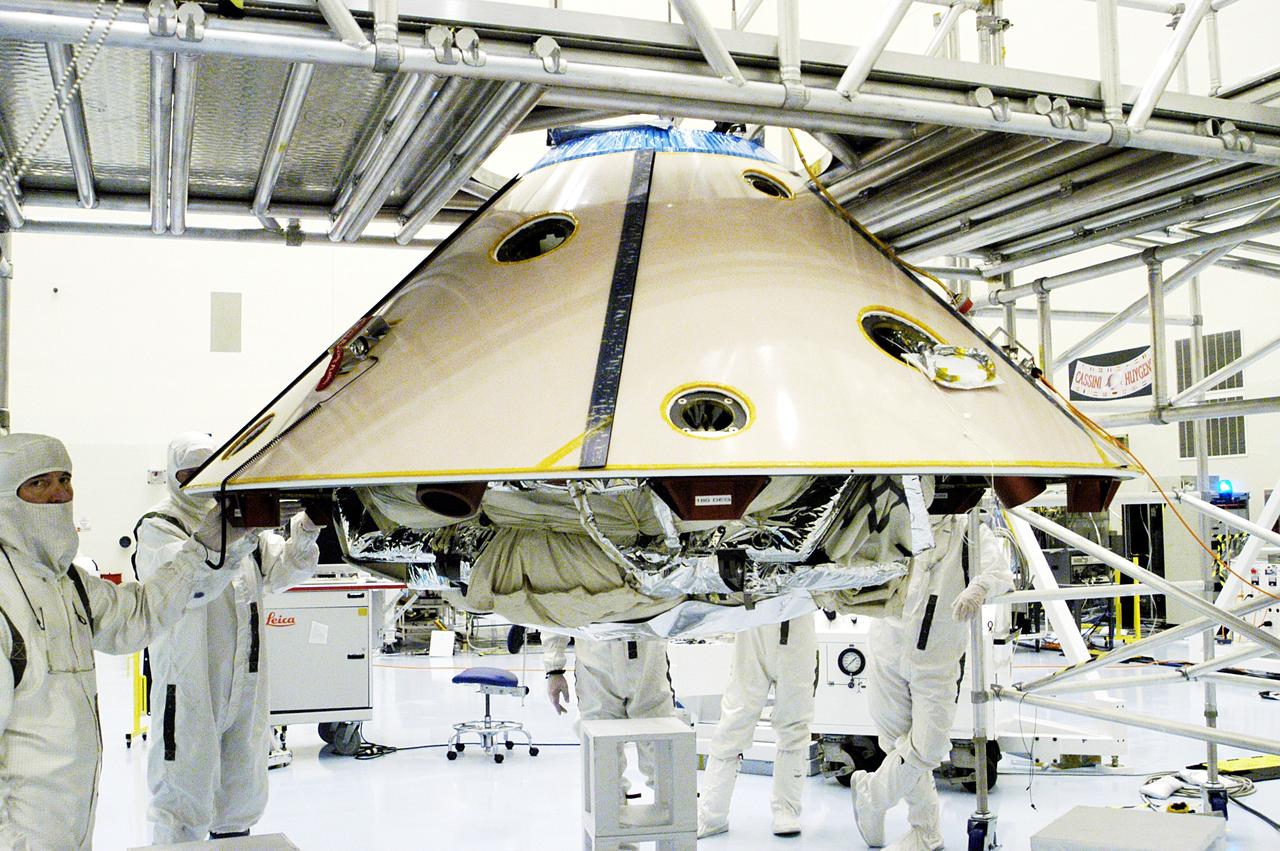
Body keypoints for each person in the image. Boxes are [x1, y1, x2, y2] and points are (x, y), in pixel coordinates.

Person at [0, 433, 239, 849]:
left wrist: (201, 549)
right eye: (39, 483)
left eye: (64, 479)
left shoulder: (67, 581)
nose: (59, 494)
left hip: (72, 815)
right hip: (20, 827)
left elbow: (136, 615)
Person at [136, 432, 324, 843]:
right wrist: (234, 535)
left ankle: (234, 838)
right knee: (183, 779)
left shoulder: (238, 518)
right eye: (190, 473)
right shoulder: (160, 526)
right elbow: (189, 586)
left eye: (208, 470)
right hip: (190, 679)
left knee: (240, 780)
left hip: (245, 680)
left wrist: (308, 527)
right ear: (172, 476)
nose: (199, 482)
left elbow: (283, 573)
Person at [852, 508, 1013, 851]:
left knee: (928, 747)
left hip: (936, 658)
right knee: (896, 741)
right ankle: (925, 831)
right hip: (888, 645)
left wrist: (980, 587)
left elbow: (1000, 571)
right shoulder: (895, 522)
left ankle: (873, 795)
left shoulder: (967, 531)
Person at [697, 616, 818, 839]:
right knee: (734, 721)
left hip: (797, 626)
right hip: (752, 622)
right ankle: (711, 814)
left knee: (794, 721)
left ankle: (786, 809)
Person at [544, 633, 676, 794]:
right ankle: (613, 815)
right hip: (596, 668)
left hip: (648, 663)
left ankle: (670, 815)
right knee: (604, 764)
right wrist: (554, 668)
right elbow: (556, 611)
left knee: (662, 758)